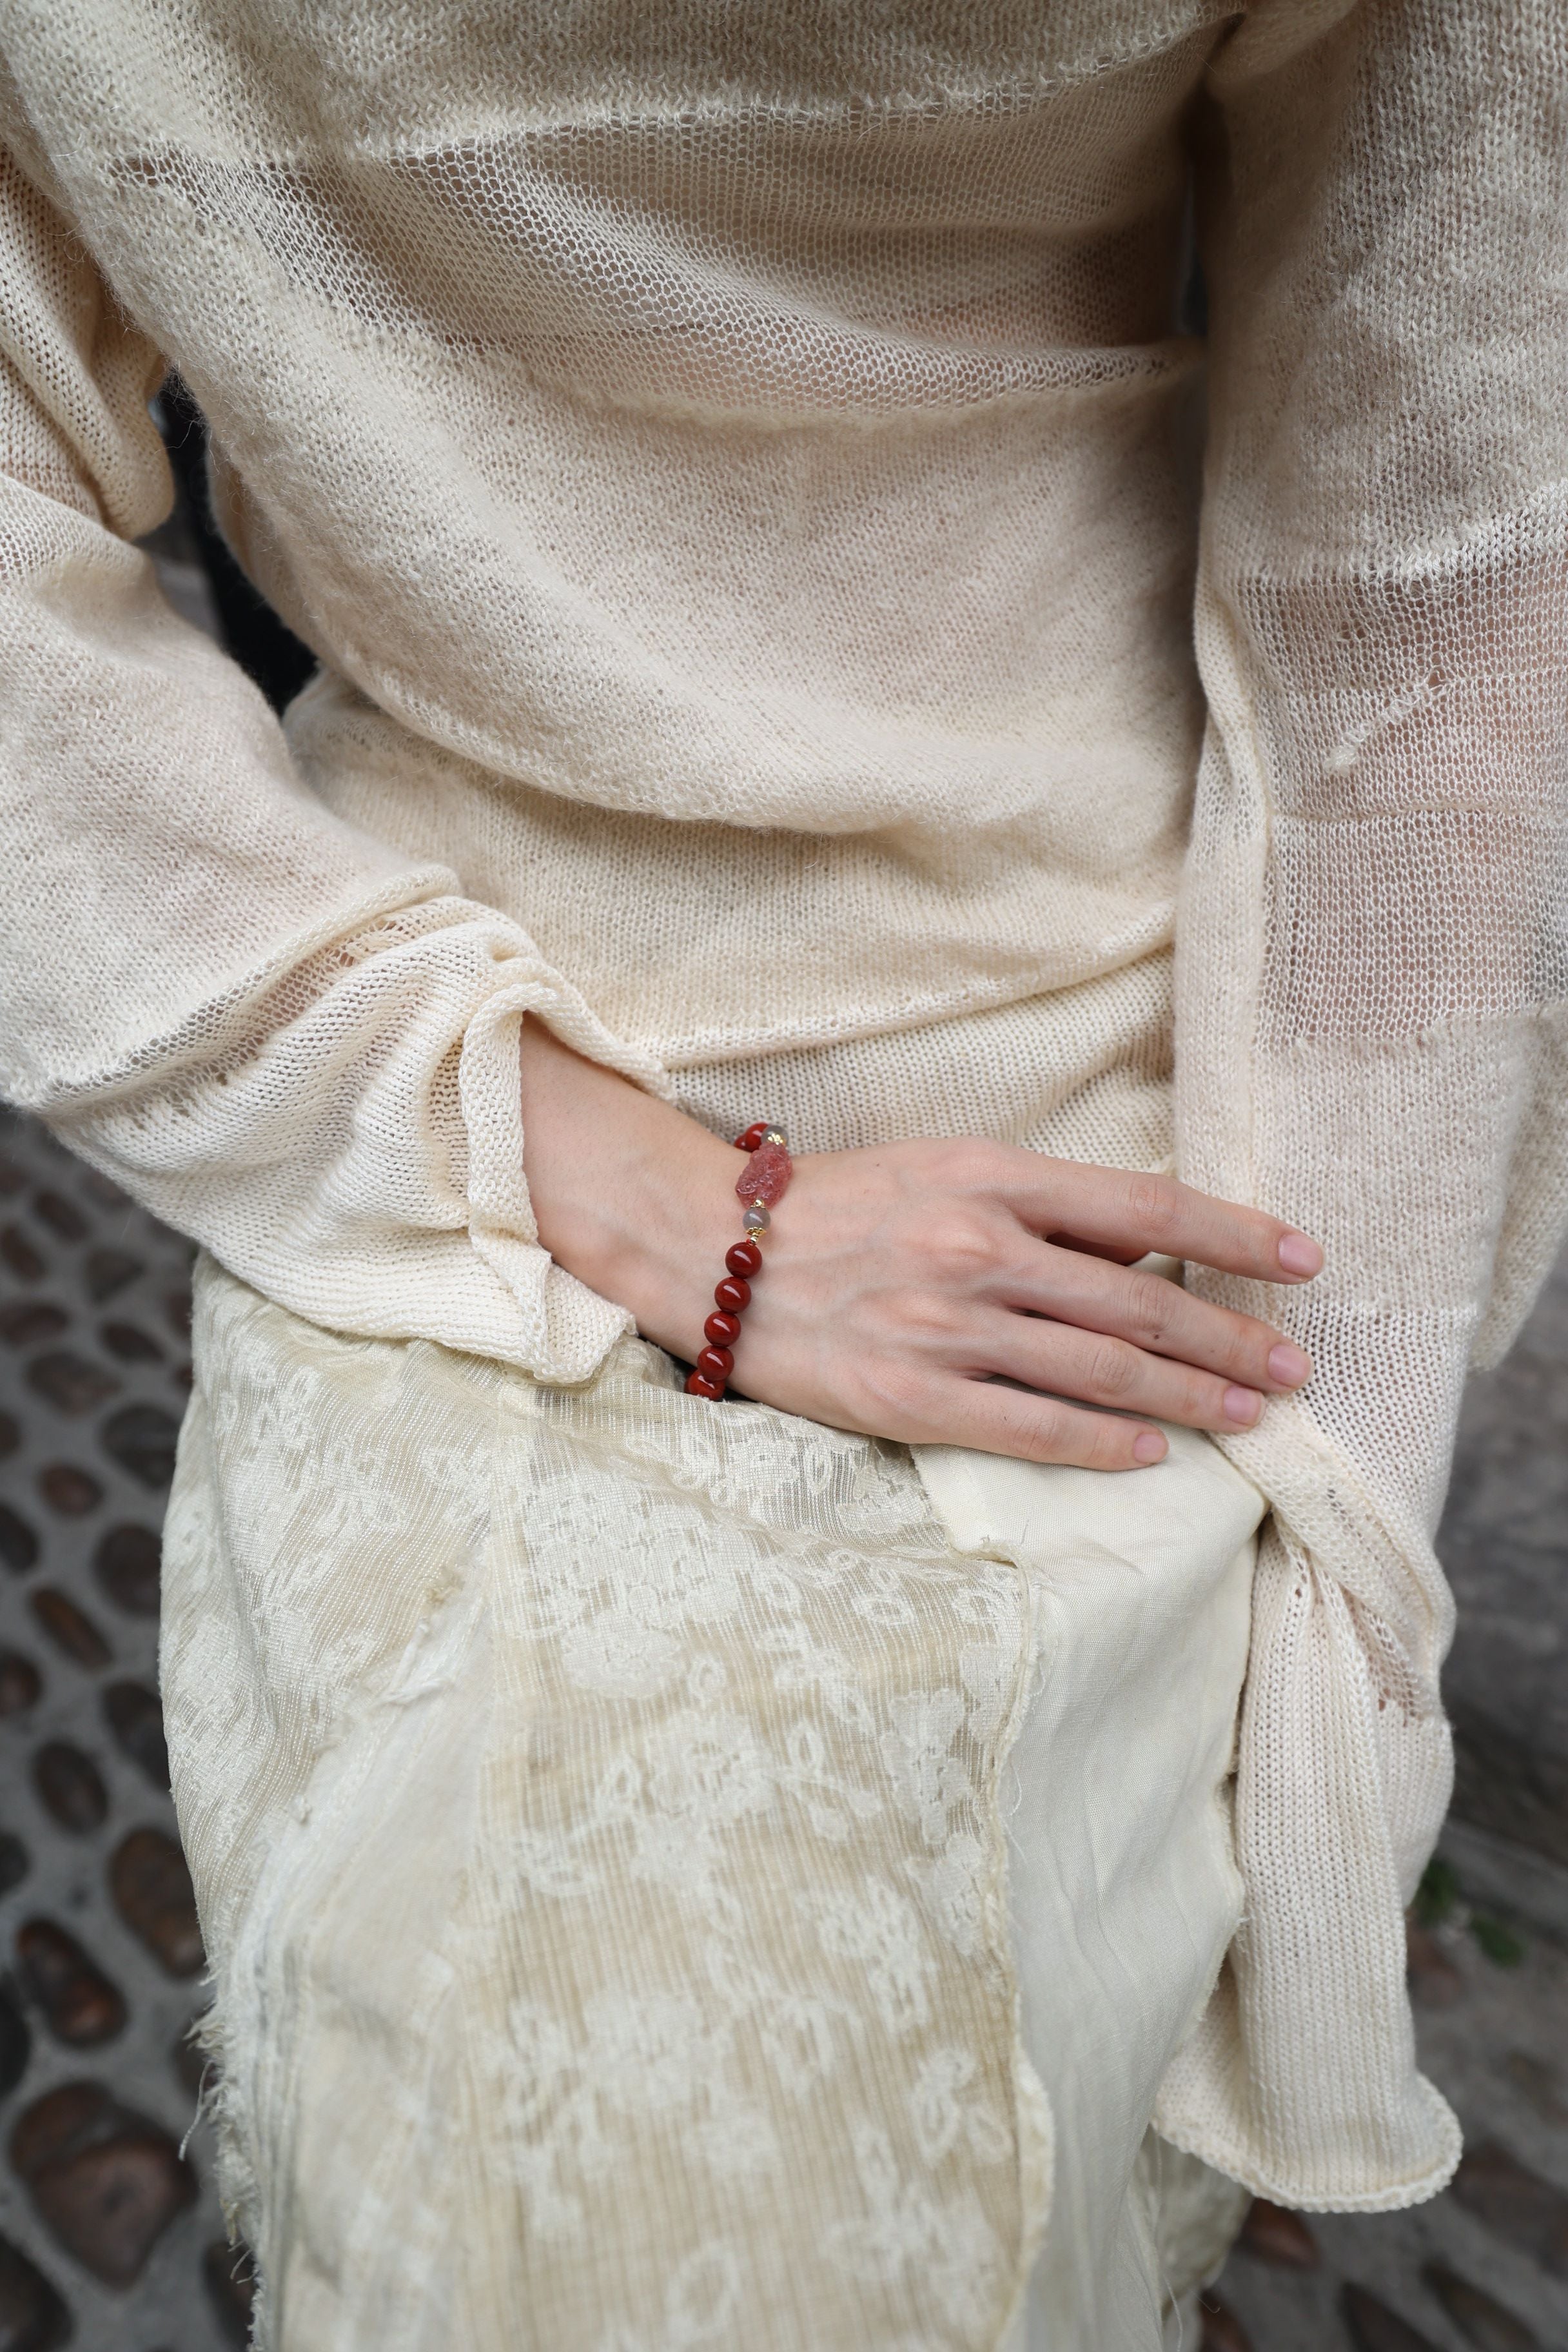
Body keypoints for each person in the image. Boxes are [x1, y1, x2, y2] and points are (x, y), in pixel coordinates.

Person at [0, 1, 1562, 2344]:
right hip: (446, 1082)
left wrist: (1339, 1548)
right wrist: (641, 1200)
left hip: (1144, 1138)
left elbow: (1431, 582)